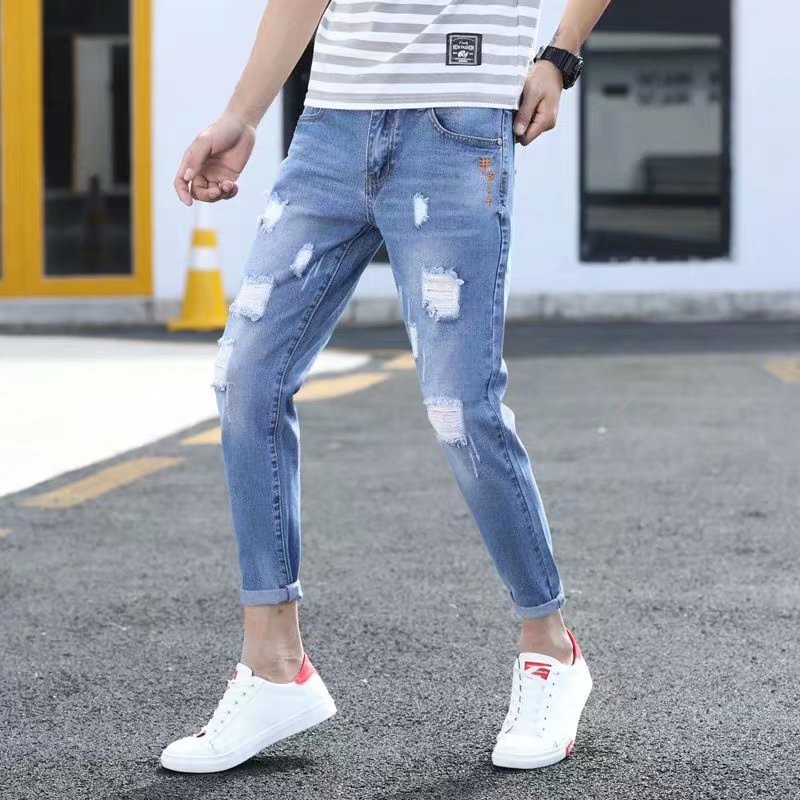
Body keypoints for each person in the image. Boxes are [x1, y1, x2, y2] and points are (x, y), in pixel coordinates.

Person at [162, 0, 610, 774]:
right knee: (246, 377)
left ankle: (551, 649)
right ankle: (274, 667)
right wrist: (243, 113)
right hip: (331, 126)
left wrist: (561, 53)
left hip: (457, 122)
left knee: (460, 406)